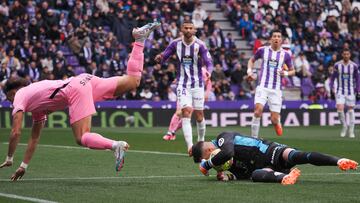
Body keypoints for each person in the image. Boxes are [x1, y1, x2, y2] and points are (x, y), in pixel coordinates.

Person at [0, 22, 161, 181]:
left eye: (9, 99)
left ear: (13, 92)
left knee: (81, 136)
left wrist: (9, 158)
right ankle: (139, 40)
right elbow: (34, 138)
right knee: (133, 81)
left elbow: (16, 132)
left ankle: (115, 145)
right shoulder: (35, 104)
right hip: (86, 80)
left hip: (75, 88)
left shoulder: (20, 94)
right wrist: (23, 166)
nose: (11, 103)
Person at [192, 131, 358, 185]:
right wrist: (229, 176)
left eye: (207, 157)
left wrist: (207, 164)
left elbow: (227, 153)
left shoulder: (223, 138)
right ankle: (286, 177)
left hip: (269, 150)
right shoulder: (222, 162)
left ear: (208, 149)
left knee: (296, 156)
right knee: (256, 176)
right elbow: (244, 174)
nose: (213, 161)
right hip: (264, 166)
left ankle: (338, 161)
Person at [155, 20, 213, 154]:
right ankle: (190, 147)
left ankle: (201, 141)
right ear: (181, 29)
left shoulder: (200, 45)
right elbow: (165, 56)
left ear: (194, 30)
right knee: (186, 112)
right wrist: (160, 58)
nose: (188, 30)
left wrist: (209, 71)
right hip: (182, 84)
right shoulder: (175, 43)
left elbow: (208, 62)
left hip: (198, 84)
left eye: (190, 28)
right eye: (185, 28)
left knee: (199, 115)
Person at [246, 30, 295, 138]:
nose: (276, 38)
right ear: (271, 39)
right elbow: (251, 61)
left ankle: (277, 122)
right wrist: (249, 71)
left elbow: (293, 71)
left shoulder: (285, 55)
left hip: (276, 90)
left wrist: (286, 73)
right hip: (262, 86)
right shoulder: (262, 50)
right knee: (257, 111)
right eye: (274, 36)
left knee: (273, 119)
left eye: (278, 36)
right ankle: (254, 139)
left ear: (281, 40)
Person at [163, 67, 212, 141]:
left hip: (195, 93)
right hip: (183, 92)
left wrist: (207, 93)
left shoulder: (201, 70)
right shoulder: (184, 67)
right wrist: (177, 80)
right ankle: (170, 132)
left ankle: (172, 133)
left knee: (186, 115)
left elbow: (208, 82)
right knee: (179, 112)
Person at [330, 48, 359, 138]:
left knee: (351, 110)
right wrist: (332, 87)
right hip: (340, 91)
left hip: (350, 91)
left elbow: (357, 78)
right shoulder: (337, 65)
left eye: (347, 54)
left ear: (350, 55)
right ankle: (344, 126)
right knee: (339, 109)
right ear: (342, 55)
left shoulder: (354, 66)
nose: (346, 55)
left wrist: (358, 89)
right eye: (344, 54)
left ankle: (351, 130)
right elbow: (332, 78)